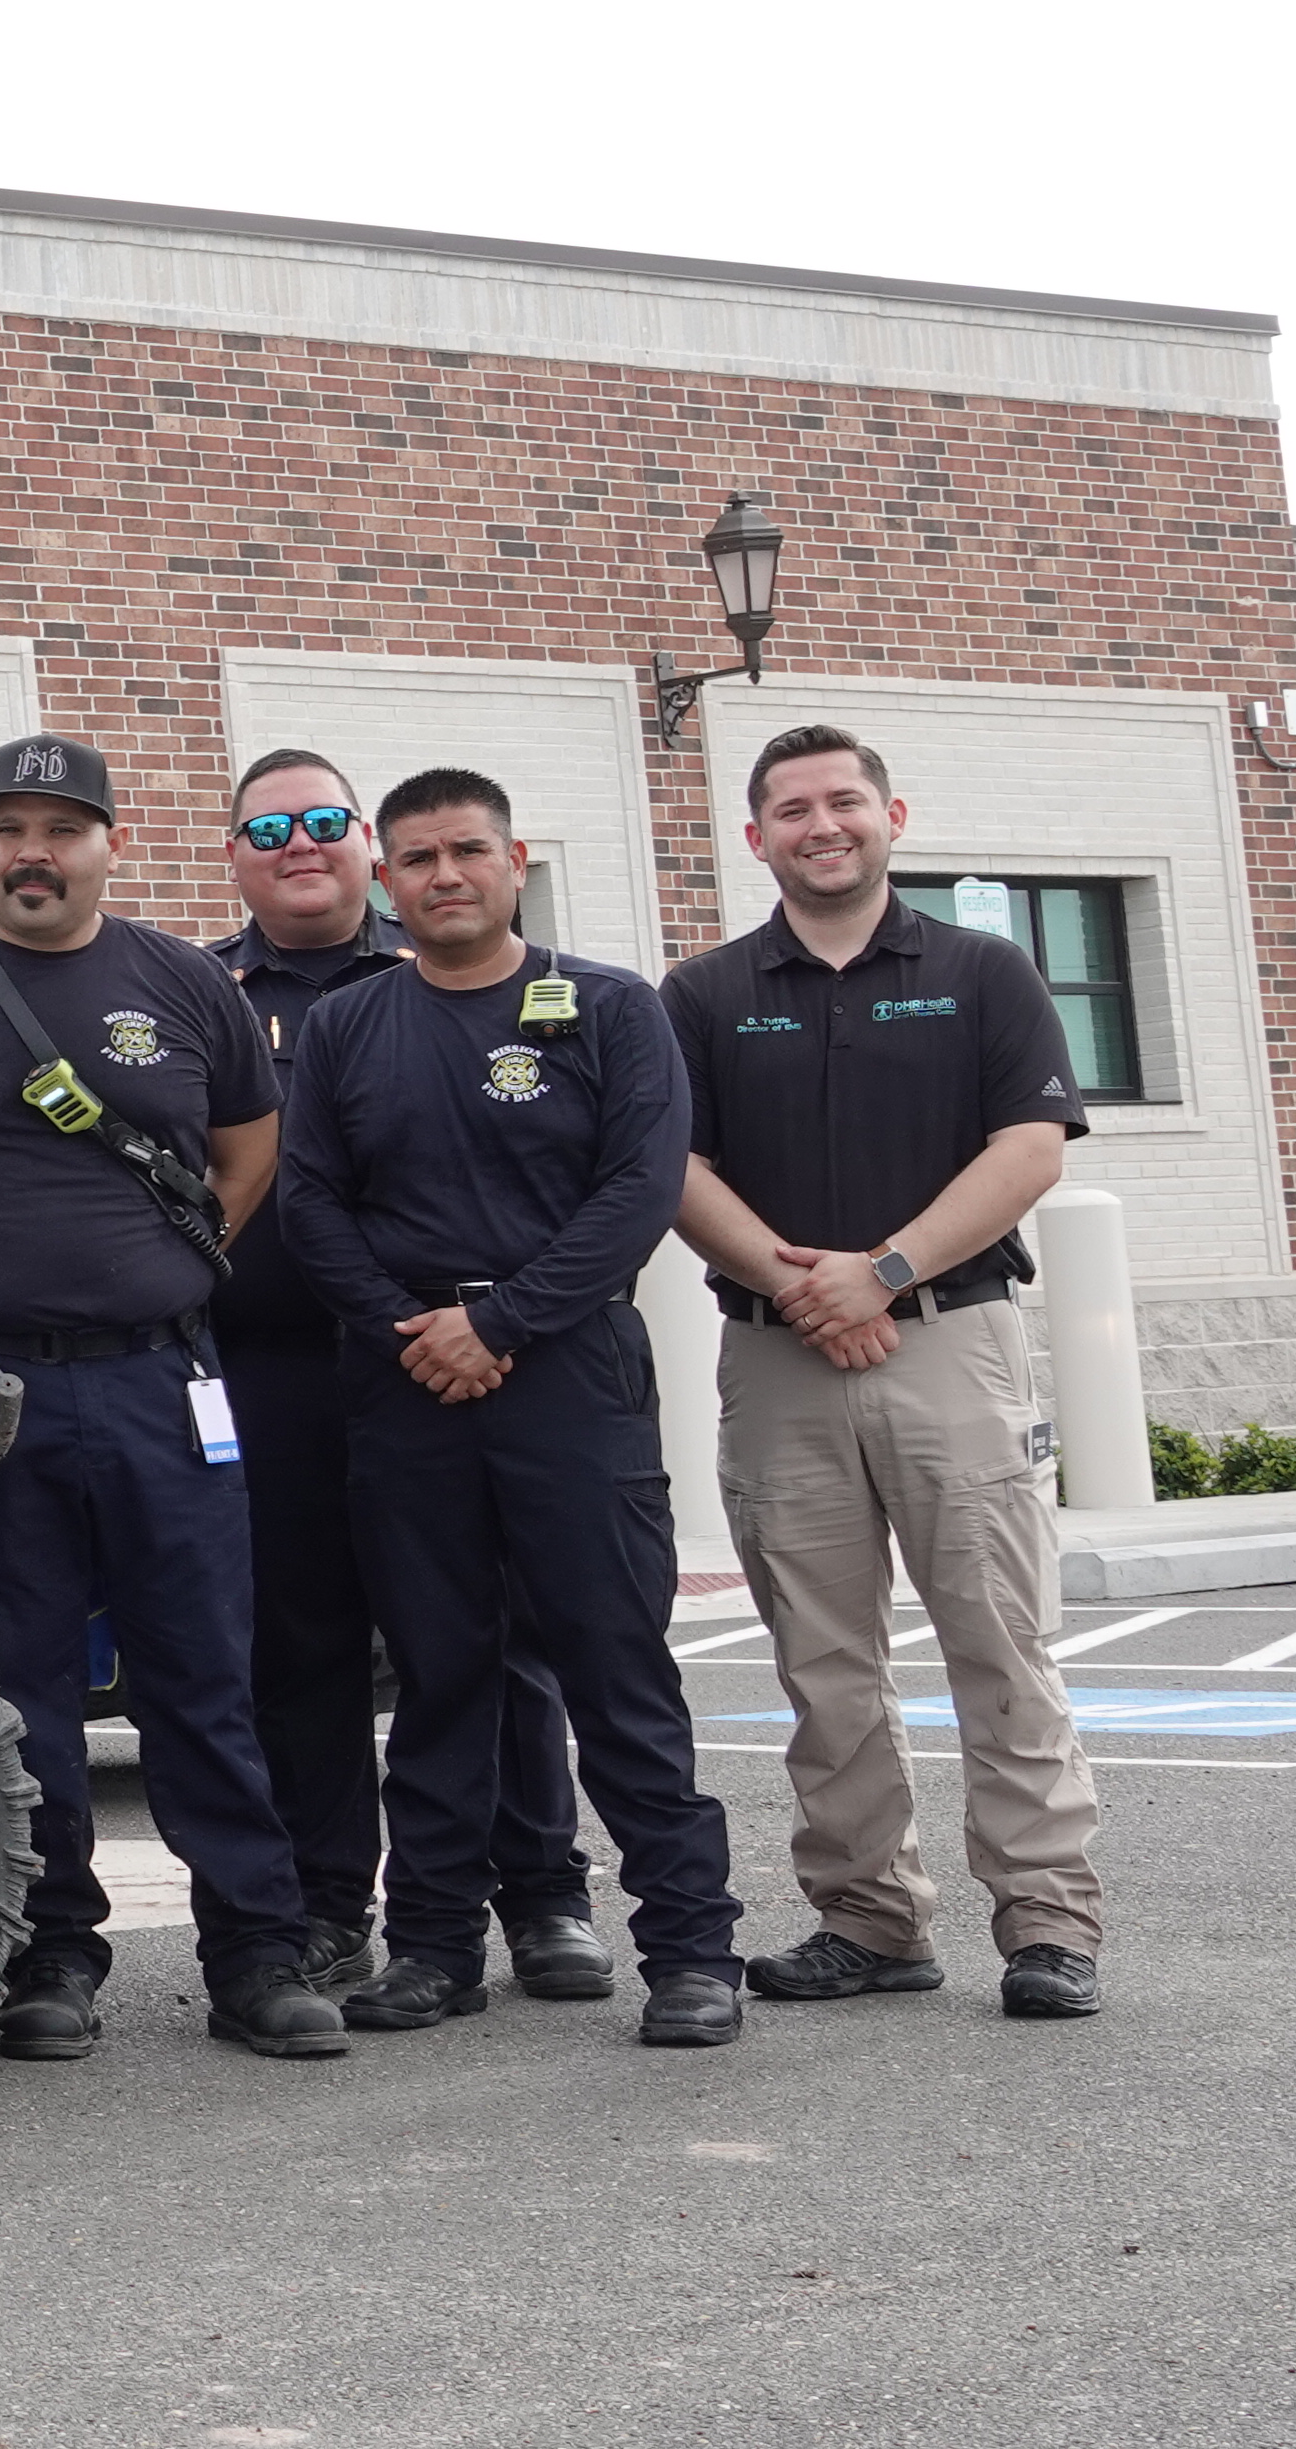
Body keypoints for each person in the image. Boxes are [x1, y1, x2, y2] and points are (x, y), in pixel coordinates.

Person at [0, 734, 341, 2064]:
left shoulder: (184, 985)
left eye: (64, 828)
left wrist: (153, 1265)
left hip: (165, 1384)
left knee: (203, 1679)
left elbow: (247, 1152)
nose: (35, 852)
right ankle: (52, 1956)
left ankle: (258, 1954)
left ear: (110, 842)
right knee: (20, 1689)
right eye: (10, 828)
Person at [280, 768, 742, 2049]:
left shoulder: (610, 1008)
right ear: (387, 877)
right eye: (416, 857)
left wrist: (501, 1321)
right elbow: (312, 1201)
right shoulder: (349, 1026)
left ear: (515, 860)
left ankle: (694, 1950)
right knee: (437, 1675)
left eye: (466, 851)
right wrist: (413, 1325)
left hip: (567, 1370)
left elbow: (636, 1190)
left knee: (614, 1663)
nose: (442, 876)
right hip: (404, 1373)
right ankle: (433, 1946)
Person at [666, 723, 1101, 2020]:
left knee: (1001, 1643)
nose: (821, 825)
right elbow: (675, 1171)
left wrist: (887, 1271)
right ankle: (870, 1923)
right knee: (821, 1660)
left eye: (842, 801)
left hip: (955, 1349)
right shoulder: (704, 995)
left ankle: (1048, 1926)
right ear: (756, 839)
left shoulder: (985, 972)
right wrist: (809, 1287)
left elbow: (1031, 1149)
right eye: (790, 809)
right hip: (778, 1360)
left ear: (891, 815)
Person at [207, 748, 597, 2000]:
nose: (300, 842)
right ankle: (329, 1904)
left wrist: (475, 1326)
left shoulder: (440, 959)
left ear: (371, 841)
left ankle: (541, 1894)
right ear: (235, 855)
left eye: (326, 819)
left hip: (465, 1359)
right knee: (303, 1643)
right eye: (270, 826)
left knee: (500, 1632)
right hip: (278, 1366)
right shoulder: (200, 992)